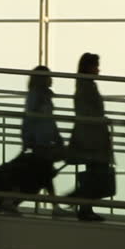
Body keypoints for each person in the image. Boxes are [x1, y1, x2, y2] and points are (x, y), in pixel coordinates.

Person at [65, 53, 114, 222]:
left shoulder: (84, 85)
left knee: (94, 172)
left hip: (90, 136)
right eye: (95, 66)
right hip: (92, 138)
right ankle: (82, 202)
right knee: (97, 173)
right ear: (88, 67)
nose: (98, 69)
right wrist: (101, 120)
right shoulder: (87, 87)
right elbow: (88, 112)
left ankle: (83, 204)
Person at [20, 65, 73, 217]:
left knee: (44, 174)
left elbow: (43, 119)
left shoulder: (39, 95)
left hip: (42, 140)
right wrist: (30, 139)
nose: (52, 79)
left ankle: (14, 200)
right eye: (49, 76)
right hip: (40, 141)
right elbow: (35, 119)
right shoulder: (38, 96)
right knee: (44, 174)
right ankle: (55, 205)